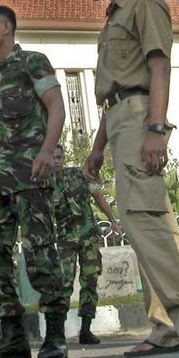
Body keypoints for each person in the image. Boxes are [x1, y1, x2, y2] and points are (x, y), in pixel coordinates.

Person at [82, 0, 179, 357]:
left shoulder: (145, 6)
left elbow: (159, 67)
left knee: (142, 217)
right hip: (121, 119)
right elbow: (112, 91)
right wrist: (98, 147)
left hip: (141, 117)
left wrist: (157, 127)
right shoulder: (113, 18)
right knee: (154, 219)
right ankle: (164, 327)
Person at [0, 5, 68, 358]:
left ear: (6, 27)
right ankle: (13, 337)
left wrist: (47, 150)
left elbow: (56, 107)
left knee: (40, 251)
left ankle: (55, 335)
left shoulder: (32, 62)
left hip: (30, 174)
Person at [51, 144, 119, 345]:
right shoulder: (44, 183)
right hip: (65, 240)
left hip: (88, 236)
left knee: (90, 281)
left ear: (63, 159)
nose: (56, 161)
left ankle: (86, 330)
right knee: (63, 283)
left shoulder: (78, 176)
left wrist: (113, 220)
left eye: (59, 157)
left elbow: (98, 197)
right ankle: (58, 333)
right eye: (52, 158)